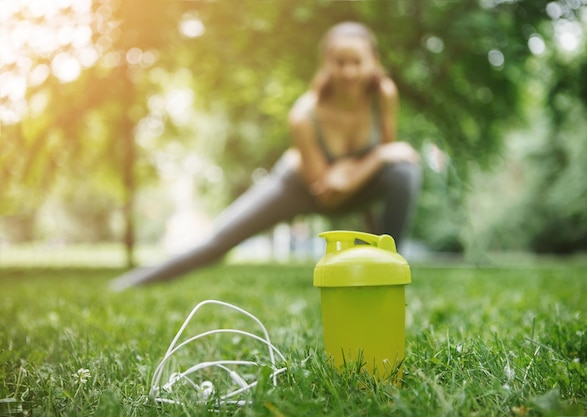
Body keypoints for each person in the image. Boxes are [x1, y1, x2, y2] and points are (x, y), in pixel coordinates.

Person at [110, 21, 421, 291]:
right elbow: (329, 195)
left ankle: (390, 269)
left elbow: (386, 159)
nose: (349, 71)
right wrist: (374, 160)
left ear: (374, 62)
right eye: (340, 62)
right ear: (326, 64)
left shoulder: (384, 94)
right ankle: (129, 285)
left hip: (352, 187)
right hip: (297, 189)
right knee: (216, 242)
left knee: (404, 173)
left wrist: (352, 169)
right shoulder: (304, 115)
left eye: (357, 62)